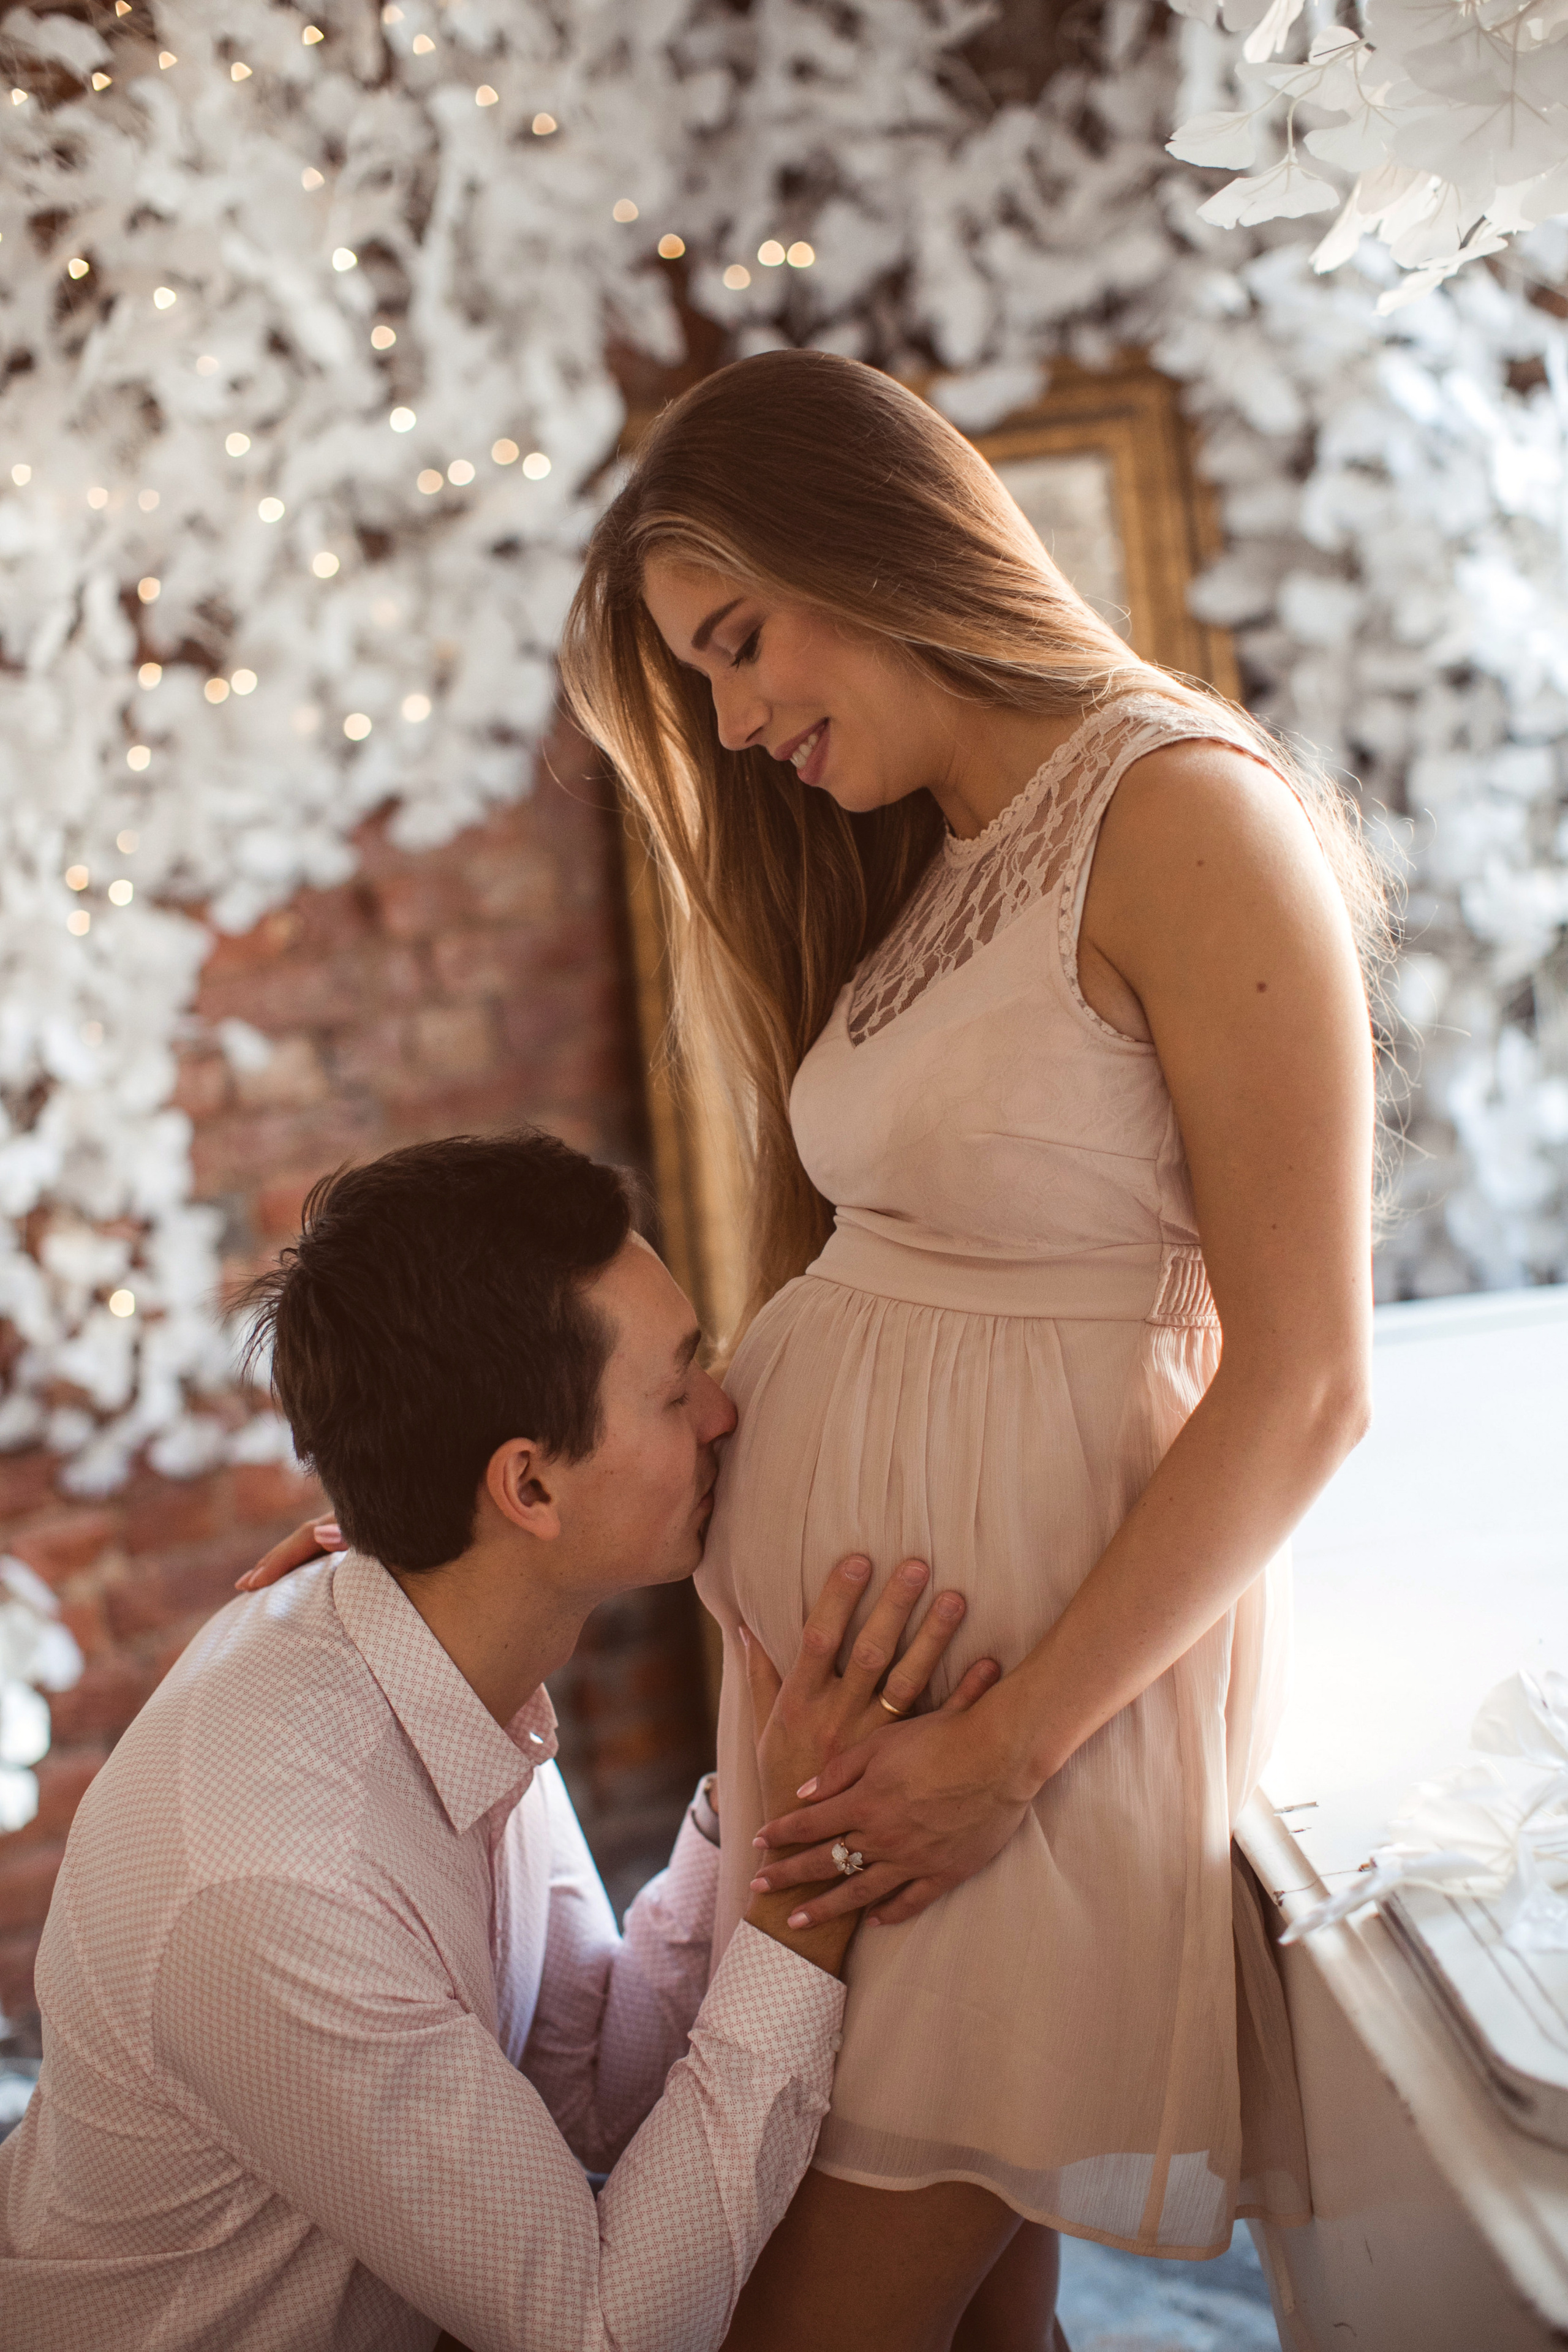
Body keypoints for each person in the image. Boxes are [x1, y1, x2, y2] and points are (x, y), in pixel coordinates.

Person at [554, 347, 1385, 2350]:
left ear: (869, 537)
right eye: (705, 687)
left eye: (740, 647)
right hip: (884, 1725)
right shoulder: (935, 866)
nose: (741, 724)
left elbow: (1307, 1382)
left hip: (1015, 1731)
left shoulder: (1187, 816)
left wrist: (998, 1761)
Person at [0, 1130, 998, 2352]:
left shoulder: (432, 1646)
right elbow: (604, 2332)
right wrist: (806, 1894)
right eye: (675, 1389)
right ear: (526, 1490)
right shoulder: (278, 1882)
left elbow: (579, 2081)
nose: (723, 1415)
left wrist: (767, 1796)